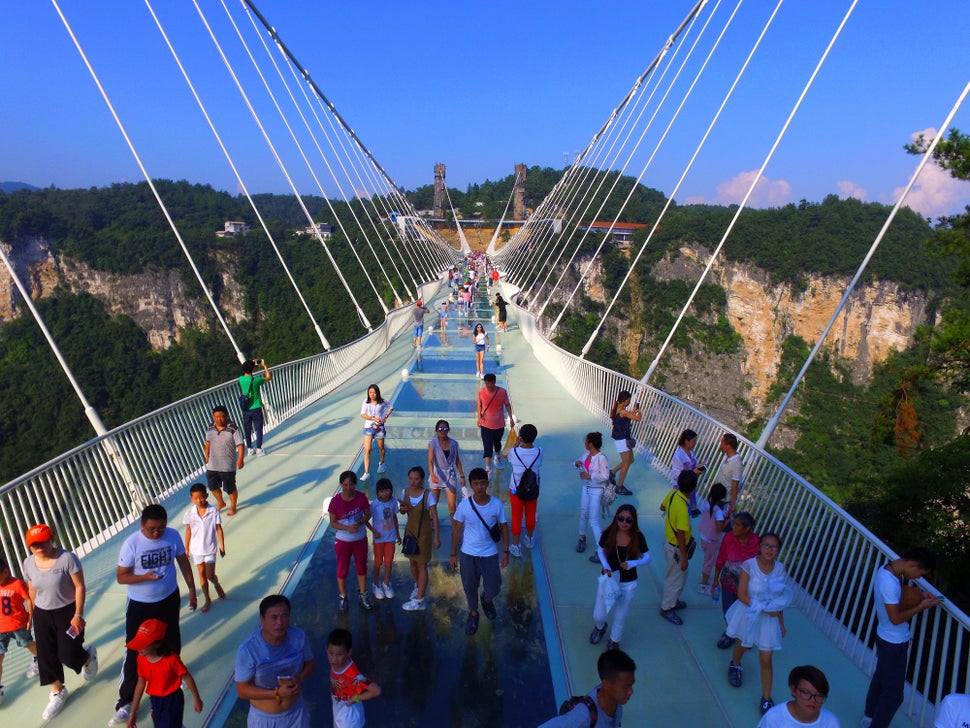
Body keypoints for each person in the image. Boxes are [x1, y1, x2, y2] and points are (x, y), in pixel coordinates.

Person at [111, 504, 197, 727]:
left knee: (171, 640)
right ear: (142, 525)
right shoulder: (132, 544)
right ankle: (126, 700)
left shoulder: (173, 536)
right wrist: (145, 577)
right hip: (141, 604)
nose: (157, 532)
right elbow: (121, 577)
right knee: (135, 649)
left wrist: (192, 588)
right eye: (151, 529)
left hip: (168, 598)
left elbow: (183, 562)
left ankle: (173, 678)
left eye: (161, 527)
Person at [21, 524, 98, 720]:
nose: (40, 547)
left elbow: (79, 586)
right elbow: (32, 590)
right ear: (29, 547)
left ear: (52, 540)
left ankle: (87, 658)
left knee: (68, 653)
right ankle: (57, 691)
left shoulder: (67, 559)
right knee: (45, 655)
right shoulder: (28, 563)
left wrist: (78, 614)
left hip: (67, 611)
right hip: (42, 613)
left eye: (43, 542)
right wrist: (31, 614)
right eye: (35, 544)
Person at [862, 547, 939, 728]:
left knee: (880, 680)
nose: (918, 578)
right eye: (920, 574)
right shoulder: (889, 582)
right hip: (893, 643)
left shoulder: (889, 569)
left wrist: (920, 596)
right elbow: (895, 618)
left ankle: (868, 718)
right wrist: (921, 607)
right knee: (894, 696)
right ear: (912, 565)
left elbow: (898, 597)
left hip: (885, 637)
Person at [725, 532, 793, 715]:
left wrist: (781, 622)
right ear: (760, 546)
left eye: (774, 547)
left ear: (778, 550)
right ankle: (735, 663)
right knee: (744, 645)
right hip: (750, 613)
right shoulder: (749, 565)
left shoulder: (781, 569)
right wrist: (764, 609)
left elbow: (780, 598)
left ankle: (766, 698)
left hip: (769, 619)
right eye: (766, 545)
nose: (770, 550)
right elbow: (741, 595)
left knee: (766, 658)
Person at [235, 594, 314, 728]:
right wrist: (276, 693)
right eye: (274, 617)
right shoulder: (249, 650)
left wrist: (300, 678)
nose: (280, 622)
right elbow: (242, 690)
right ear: (262, 620)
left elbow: (310, 664)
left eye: (284, 616)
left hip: (296, 714)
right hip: (264, 720)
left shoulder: (298, 637)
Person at [449, 467, 509, 636]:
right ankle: (473, 613)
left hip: (490, 553)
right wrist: (453, 554)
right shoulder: (464, 506)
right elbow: (457, 531)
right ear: (471, 486)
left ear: (487, 484)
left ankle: (486, 599)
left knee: (494, 587)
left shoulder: (496, 504)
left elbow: (504, 527)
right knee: (469, 586)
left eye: (482, 483)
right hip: (468, 553)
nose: (480, 487)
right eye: (476, 484)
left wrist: (506, 551)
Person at [589, 505, 650, 651]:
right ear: (616, 518)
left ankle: (614, 640)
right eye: (621, 518)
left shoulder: (638, 537)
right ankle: (600, 626)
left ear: (634, 521)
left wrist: (633, 563)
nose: (624, 523)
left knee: (621, 614)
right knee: (599, 614)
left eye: (628, 520)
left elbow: (647, 556)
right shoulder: (609, 533)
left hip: (628, 582)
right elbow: (600, 550)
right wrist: (606, 565)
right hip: (609, 578)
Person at [126, 618, 203, 728]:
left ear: (157, 644)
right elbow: (140, 683)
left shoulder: (171, 660)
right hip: (155, 700)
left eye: (143, 644)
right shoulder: (141, 659)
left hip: (172, 700)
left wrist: (197, 699)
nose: (138, 647)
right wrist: (133, 712)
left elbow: (187, 677)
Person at [537, 648, 636, 728]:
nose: (631, 692)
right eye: (626, 687)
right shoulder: (582, 716)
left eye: (631, 685)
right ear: (606, 684)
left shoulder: (617, 701)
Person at [327, 471, 374, 614]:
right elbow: (333, 523)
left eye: (351, 484)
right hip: (343, 541)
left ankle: (363, 594)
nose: (348, 488)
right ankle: (343, 596)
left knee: (362, 567)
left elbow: (368, 514)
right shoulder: (335, 501)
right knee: (342, 569)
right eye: (345, 485)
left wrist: (359, 522)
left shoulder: (361, 497)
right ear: (341, 484)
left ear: (355, 484)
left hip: (360, 540)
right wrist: (347, 528)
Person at [714, 511, 761, 649]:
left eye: (737, 525)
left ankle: (744, 635)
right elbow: (721, 558)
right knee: (728, 609)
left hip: (748, 585)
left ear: (747, 528)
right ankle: (729, 633)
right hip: (729, 581)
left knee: (746, 611)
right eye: (733, 524)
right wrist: (715, 580)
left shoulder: (757, 542)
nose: (733, 527)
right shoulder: (728, 538)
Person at [400, 466, 440, 612]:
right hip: (410, 532)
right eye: (411, 478)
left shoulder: (428, 495)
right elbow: (402, 511)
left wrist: (437, 537)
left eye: (416, 479)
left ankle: (419, 600)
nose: (413, 481)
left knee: (422, 565)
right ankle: (418, 586)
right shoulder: (405, 492)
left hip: (423, 534)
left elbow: (434, 516)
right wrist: (402, 510)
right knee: (412, 562)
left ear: (422, 480)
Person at [182, 482, 227, 613]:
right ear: (191, 498)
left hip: (210, 549)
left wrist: (222, 546)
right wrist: (186, 548)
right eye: (196, 498)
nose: (199, 501)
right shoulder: (189, 513)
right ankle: (207, 599)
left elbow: (219, 529)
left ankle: (216, 584)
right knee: (201, 574)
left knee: (210, 575)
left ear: (206, 496)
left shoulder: (213, 511)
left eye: (201, 497)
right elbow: (188, 530)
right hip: (196, 550)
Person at [0, 555, 40, 703]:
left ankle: (40, 658)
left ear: (5, 572)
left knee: (27, 644)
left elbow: (29, 599)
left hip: (18, 624)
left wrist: (30, 617)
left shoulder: (17, 584)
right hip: (1, 628)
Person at [660, 470, 696, 625]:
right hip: (676, 549)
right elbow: (681, 534)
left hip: (670, 544)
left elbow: (662, 507)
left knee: (677, 577)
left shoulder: (673, 494)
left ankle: (672, 601)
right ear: (693, 488)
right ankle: (667, 607)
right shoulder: (682, 508)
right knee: (674, 579)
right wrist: (684, 557)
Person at [326, 628, 381, 728]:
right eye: (331, 653)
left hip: (349, 720)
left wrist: (355, 699)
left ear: (349, 652)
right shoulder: (337, 663)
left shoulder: (353, 675)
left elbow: (376, 691)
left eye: (339, 654)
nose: (334, 659)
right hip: (339, 711)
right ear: (326, 649)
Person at [757, 665, 841, 727]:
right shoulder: (773, 718)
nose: (813, 700)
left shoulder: (831, 722)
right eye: (806, 693)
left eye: (819, 695)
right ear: (793, 690)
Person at [507, 424, 542, 557]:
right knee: (530, 514)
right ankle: (529, 539)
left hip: (516, 489)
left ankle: (516, 546)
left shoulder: (514, 452)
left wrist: (516, 445)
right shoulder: (539, 452)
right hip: (532, 489)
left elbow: (509, 459)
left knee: (516, 517)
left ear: (520, 437)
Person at [204, 404, 245, 515]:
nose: (219, 419)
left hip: (227, 465)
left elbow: (240, 444)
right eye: (216, 417)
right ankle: (221, 502)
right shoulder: (210, 427)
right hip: (213, 464)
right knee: (212, 486)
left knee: (230, 488)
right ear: (213, 417)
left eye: (222, 416)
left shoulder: (233, 428)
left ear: (226, 416)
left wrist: (240, 458)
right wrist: (206, 455)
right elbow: (207, 442)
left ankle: (233, 505)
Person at [575, 432, 610, 558]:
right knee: (583, 513)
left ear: (590, 444)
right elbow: (577, 462)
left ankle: (602, 550)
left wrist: (590, 476)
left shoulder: (602, 458)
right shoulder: (586, 454)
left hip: (596, 490)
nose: (585, 444)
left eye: (586, 442)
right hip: (586, 488)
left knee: (593, 520)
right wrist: (576, 464)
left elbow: (605, 476)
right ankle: (582, 537)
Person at [369, 478, 401, 601]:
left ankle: (386, 583)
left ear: (391, 490)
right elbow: (366, 518)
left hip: (390, 537)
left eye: (387, 490)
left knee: (389, 561)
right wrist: (374, 531)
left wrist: (398, 534)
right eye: (382, 491)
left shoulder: (393, 502)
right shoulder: (374, 504)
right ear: (378, 493)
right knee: (378, 562)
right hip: (379, 539)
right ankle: (376, 583)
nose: (385, 493)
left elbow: (394, 518)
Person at [477, 373, 513, 474]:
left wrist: (511, 418)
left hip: (499, 424)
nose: (489, 386)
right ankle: (488, 468)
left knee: (497, 443)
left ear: (494, 382)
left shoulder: (502, 392)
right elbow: (479, 405)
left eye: (491, 383)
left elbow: (507, 405)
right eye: (487, 383)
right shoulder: (481, 392)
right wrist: (479, 418)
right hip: (485, 424)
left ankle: (497, 457)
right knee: (487, 445)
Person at [698, 482, 729, 595]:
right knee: (709, 562)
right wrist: (727, 522)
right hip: (711, 540)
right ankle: (703, 584)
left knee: (707, 560)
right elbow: (719, 529)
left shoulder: (707, 504)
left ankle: (704, 578)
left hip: (703, 537)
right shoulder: (718, 512)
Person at [608, 391, 640, 497]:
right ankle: (619, 487)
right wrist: (639, 412)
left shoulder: (619, 409)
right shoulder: (623, 411)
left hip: (623, 439)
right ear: (625, 401)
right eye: (628, 400)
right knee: (626, 463)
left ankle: (612, 473)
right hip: (622, 440)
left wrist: (633, 411)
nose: (629, 402)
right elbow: (638, 419)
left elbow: (627, 416)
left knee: (630, 460)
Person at [360, 384, 393, 482]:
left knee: (381, 448)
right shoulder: (366, 402)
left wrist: (386, 416)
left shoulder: (382, 402)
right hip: (368, 428)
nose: (372, 394)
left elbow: (391, 406)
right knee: (367, 450)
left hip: (379, 428)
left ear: (377, 393)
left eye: (374, 392)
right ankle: (366, 472)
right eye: (370, 392)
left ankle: (382, 463)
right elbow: (363, 414)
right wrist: (373, 418)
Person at [239, 358, 271, 456]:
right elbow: (268, 378)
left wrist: (251, 363)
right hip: (256, 408)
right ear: (253, 369)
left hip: (246, 408)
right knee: (258, 428)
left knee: (247, 429)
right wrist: (264, 366)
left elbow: (246, 372)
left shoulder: (241, 379)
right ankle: (259, 449)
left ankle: (249, 448)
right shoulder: (257, 380)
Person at [670, 428, 705, 517]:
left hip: (690, 486)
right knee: (682, 510)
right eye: (693, 441)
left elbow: (692, 465)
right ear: (686, 441)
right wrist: (693, 472)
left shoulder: (691, 452)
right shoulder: (678, 456)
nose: (695, 443)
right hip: (681, 487)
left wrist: (698, 467)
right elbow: (677, 474)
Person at [716, 432, 744, 511]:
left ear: (728, 446)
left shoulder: (736, 463)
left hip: (723, 500)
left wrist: (732, 503)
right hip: (716, 494)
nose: (720, 445)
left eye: (722, 443)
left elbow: (735, 485)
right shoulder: (727, 456)